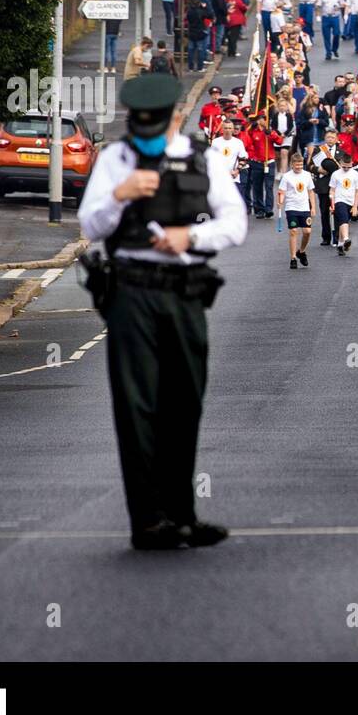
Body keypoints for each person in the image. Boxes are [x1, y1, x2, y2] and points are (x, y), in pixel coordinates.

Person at [76, 74, 247, 550]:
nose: (145, 135)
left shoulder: (204, 158)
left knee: (185, 402)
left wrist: (190, 238)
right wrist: (120, 195)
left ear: (176, 117)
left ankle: (182, 516)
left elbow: (235, 223)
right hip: (130, 291)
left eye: (155, 126)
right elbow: (90, 224)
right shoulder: (117, 160)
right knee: (136, 407)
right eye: (139, 126)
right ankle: (148, 521)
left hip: (185, 291)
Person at [276, 151, 317, 270]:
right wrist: (280, 201)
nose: (298, 167)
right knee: (293, 231)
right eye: (296, 165)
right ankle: (293, 258)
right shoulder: (287, 176)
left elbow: (310, 192)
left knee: (307, 232)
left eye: (300, 164)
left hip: (304, 208)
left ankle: (302, 251)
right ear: (291, 164)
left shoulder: (307, 175)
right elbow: (282, 192)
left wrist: (313, 207)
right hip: (291, 208)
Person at [329, 151, 358, 256]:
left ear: (352, 163)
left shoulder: (355, 174)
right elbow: (332, 190)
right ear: (340, 163)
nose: (346, 169)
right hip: (340, 200)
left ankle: (340, 244)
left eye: (349, 167)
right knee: (344, 220)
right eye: (344, 167)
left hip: (351, 201)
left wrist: (355, 206)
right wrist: (332, 203)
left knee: (343, 223)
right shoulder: (336, 174)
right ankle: (347, 239)